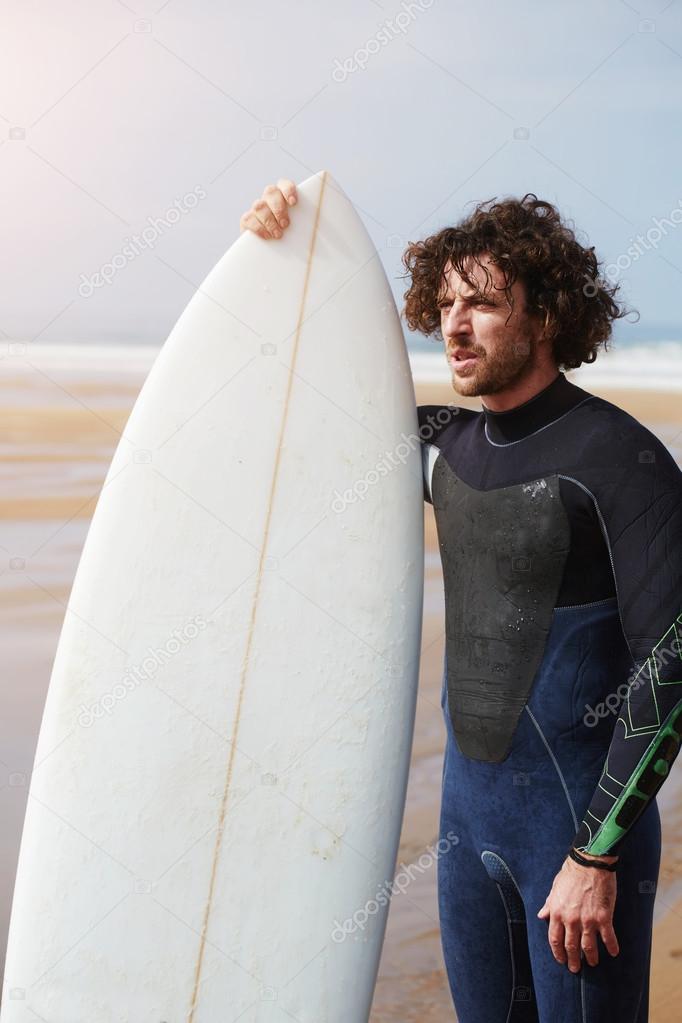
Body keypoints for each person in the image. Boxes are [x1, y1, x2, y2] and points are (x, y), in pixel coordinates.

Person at [239, 180, 682, 1022]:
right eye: (444, 302)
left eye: (481, 302)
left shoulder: (622, 459)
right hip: (464, 836)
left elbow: (672, 661)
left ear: (546, 315)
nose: (454, 323)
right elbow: (297, 399)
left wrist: (597, 854)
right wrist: (281, 252)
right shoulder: (440, 445)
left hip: (580, 846)